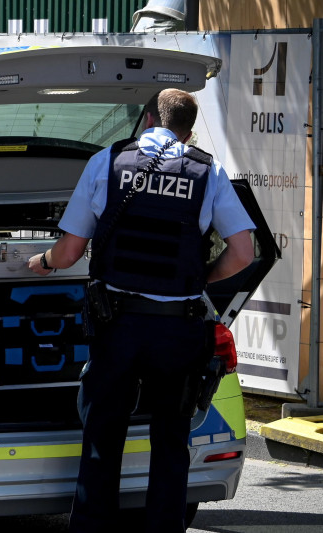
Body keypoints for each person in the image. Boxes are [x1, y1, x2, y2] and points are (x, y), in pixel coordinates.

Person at [27, 89, 255, 532]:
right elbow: (244, 253)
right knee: (171, 438)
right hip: (179, 329)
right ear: (189, 130)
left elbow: (71, 251)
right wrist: (197, 279)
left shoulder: (108, 162)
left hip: (119, 325)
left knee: (102, 435)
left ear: (147, 118)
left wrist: (43, 262)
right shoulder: (208, 171)